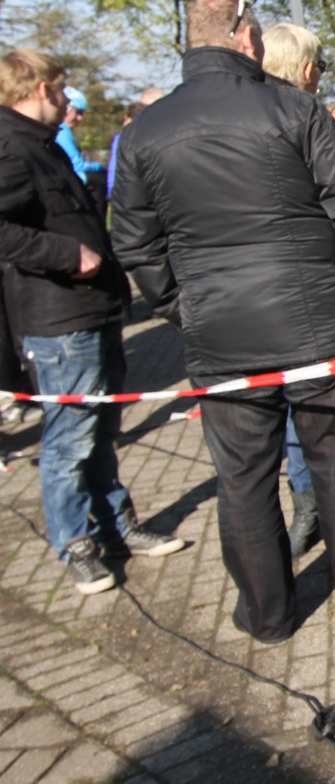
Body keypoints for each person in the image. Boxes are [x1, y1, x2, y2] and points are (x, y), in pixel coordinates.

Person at [113, 0, 335, 643]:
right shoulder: (294, 108)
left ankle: (267, 615)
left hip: (223, 331)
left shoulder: (143, 132)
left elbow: (134, 243)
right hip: (317, 324)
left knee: (243, 479)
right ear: (245, 36)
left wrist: (186, 307)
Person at [0, 48, 186, 594]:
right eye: (61, 89)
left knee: (102, 431)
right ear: (40, 89)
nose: (66, 100)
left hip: (94, 313)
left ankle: (116, 525)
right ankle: (76, 545)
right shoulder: (11, 148)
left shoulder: (42, 145)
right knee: (69, 442)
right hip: (60, 324)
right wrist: (67, 255)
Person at [260, 22, 333, 560]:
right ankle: (324, 505)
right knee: (323, 411)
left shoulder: (229, 119)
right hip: (310, 295)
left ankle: (311, 504)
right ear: (307, 69)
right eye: (321, 66)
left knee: (286, 410)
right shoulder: (309, 118)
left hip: (245, 300)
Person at [56, 87, 107, 216]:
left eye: (82, 113)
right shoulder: (62, 128)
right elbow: (78, 165)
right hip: (64, 179)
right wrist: (99, 166)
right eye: (78, 112)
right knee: (99, 179)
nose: (79, 118)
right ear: (67, 108)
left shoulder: (58, 127)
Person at [106, 101, 145, 199]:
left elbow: (114, 168)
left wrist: (111, 191)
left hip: (122, 192)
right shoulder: (149, 139)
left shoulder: (121, 139)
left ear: (127, 119)